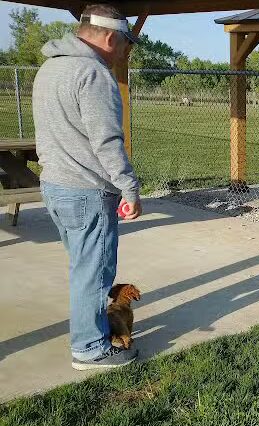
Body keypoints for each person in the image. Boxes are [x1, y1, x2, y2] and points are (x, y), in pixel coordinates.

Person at [33, 4, 142, 370]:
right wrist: (129, 189)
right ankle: (90, 347)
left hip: (55, 186)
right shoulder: (93, 74)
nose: (126, 51)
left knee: (83, 269)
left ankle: (90, 332)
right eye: (127, 44)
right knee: (94, 276)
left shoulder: (51, 68)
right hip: (87, 191)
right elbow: (107, 142)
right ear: (111, 37)